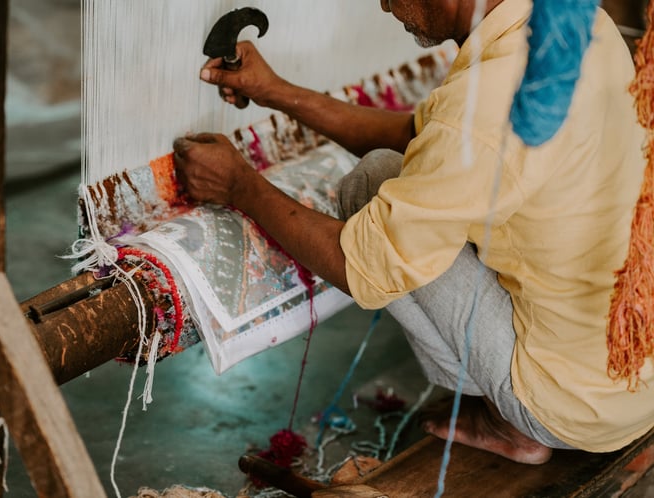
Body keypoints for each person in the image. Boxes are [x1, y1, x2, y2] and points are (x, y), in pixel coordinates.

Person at [172, 0, 654, 464]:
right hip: (635, 378)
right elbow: (420, 138)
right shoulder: (575, 24)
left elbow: (361, 264)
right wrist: (276, 91)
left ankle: (516, 423)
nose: (385, 7)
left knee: (374, 180)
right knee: (405, 173)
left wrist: (240, 186)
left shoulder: (484, 103)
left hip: (570, 406)